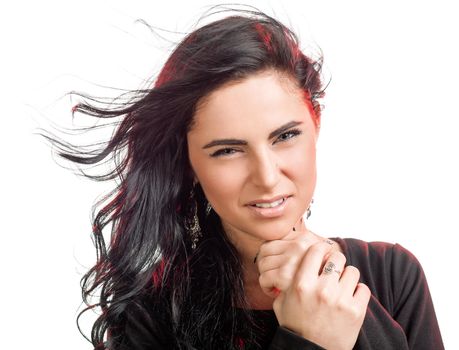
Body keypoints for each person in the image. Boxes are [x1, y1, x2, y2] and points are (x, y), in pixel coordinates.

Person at [39, 5, 444, 350]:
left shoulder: (392, 275)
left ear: (316, 126)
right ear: (189, 163)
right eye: (228, 150)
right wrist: (309, 339)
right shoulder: (152, 312)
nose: (267, 178)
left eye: (285, 136)